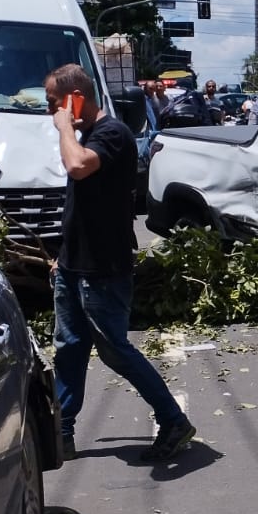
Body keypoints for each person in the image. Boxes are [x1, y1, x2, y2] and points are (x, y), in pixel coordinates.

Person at [47, 64, 198, 463]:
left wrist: (65, 126)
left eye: (53, 104)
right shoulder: (88, 137)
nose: (51, 113)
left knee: (114, 350)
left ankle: (173, 420)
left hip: (102, 271)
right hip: (73, 267)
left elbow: (77, 167)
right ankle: (61, 430)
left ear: (74, 97)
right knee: (69, 349)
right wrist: (62, 258)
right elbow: (79, 206)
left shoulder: (111, 134)